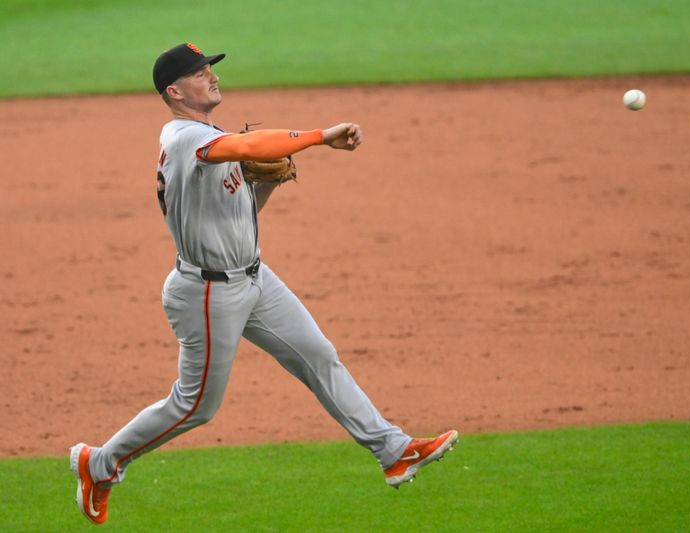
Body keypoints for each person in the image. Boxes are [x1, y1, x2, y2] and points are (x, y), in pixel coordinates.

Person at [69, 42, 458, 525]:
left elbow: (241, 215)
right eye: (199, 72)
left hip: (254, 278)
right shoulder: (184, 137)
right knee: (195, 407)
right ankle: (99, 463)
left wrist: (267, 184)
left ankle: (393, 450)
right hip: (208, 294)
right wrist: (319, 136)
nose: (211, 75)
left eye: (210, 67)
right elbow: (250, 146)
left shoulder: (210, 136)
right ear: (174, 91)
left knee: (318, 356)